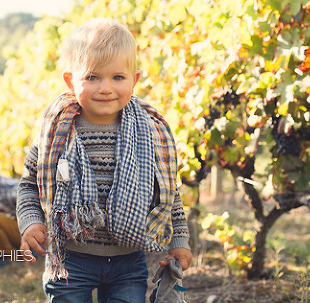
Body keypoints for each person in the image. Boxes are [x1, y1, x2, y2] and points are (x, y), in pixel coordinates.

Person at [16, 17, 192, 302]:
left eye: (118, 78)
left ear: (134, 80)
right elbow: (28, 183)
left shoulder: (148, 131)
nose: (105, 88)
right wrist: (31, 221)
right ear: (71, 81)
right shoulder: (56, 131)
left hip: (128, 260)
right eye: (92, 77)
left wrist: (179, 240)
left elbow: (168, 191)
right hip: (71, 257)